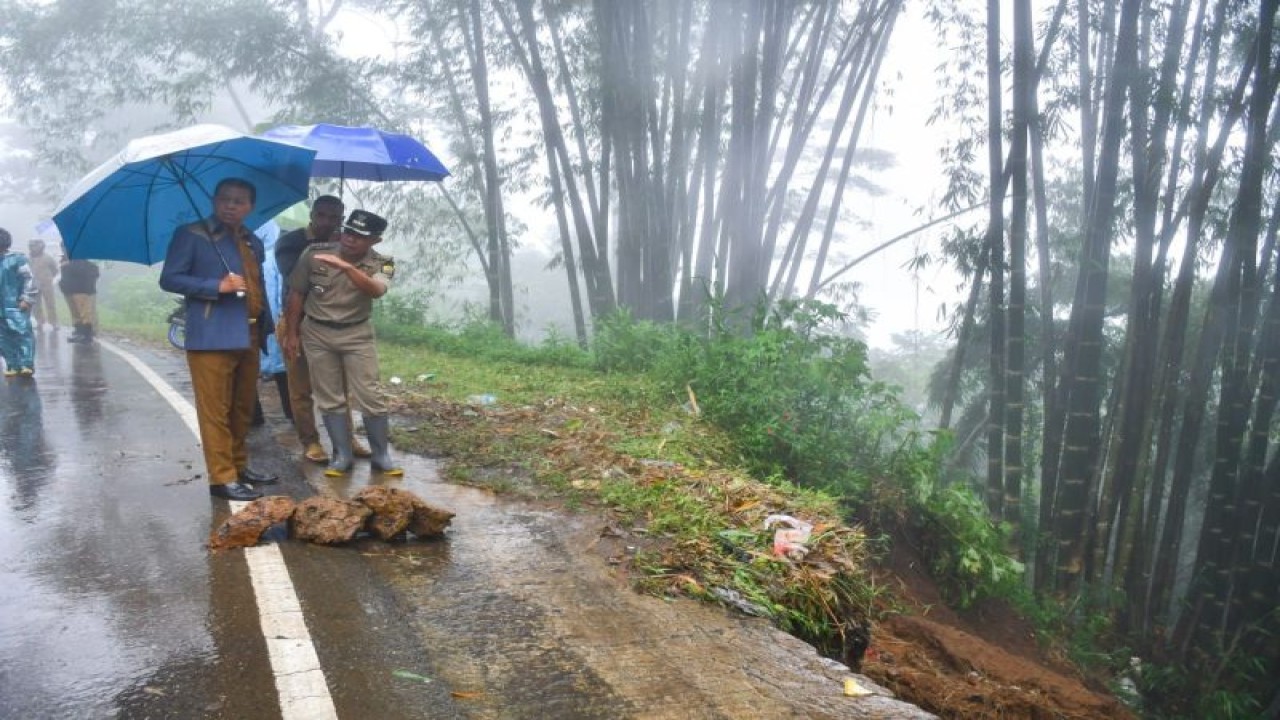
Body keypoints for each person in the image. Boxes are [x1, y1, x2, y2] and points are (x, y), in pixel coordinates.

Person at [159, 178, 279, 501]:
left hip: (250, 334)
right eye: (225, 199)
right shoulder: (193, 235)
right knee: (216, 410)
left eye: (239, 201)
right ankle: (222, 478)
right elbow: (169, 278)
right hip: (211, 335)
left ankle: (240, 466)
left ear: (249, 207)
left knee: (242, 409)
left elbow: (258, 285)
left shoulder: (251, 240)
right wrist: (217, 286)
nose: (231, 205)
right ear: (214, 201)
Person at [281, 209, 402, 477]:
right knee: (329, 395)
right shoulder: (313, 254)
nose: (350, 239)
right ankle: (341, 455)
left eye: (360, 236)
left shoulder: (385, 262)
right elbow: (297, 294)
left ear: (375, 240)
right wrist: (291, 333)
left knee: (370, 394)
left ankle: (381, 455)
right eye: (348, 232)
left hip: (357, 334)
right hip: (317, 332)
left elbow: (376, 291)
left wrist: (347, 268)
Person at [275, 195, 370, 464]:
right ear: (312, 215)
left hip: (334, 324)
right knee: (301, 387)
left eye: (334, 217)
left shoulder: (347, 244)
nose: (327, 222)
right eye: (322, 216)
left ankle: (347, 439)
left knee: (339, 388)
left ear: (341, 219)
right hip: (297, 321)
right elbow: (295, 276)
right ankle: (310, 442)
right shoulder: (290, 242)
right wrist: (327, 252)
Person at [0, 228, 37, 377]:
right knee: (2, 337)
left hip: (16, 305)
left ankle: (26, 363)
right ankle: (12, 364)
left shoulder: (17, 259)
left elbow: (29, 279)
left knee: (22, 333)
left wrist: (26, 298)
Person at [58, 256, 100, 343]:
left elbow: (94, 273)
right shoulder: (65, 260)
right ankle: (79, 331)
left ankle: (86, 335)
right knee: (75, 313)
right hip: (69, 290)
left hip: (81, 290)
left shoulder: (84, 262)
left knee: (84, 313)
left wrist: (69, 265)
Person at [26, 239, 59, 331]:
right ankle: (40, 321)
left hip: (46, 284)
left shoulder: (48, 258)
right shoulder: (28, 259)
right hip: (34, 284)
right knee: (36, 304)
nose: (32, 248)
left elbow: (55, 270)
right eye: (31, 247)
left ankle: (54, 322)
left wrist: (48, 278)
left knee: (50, 304)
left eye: (34, 246)